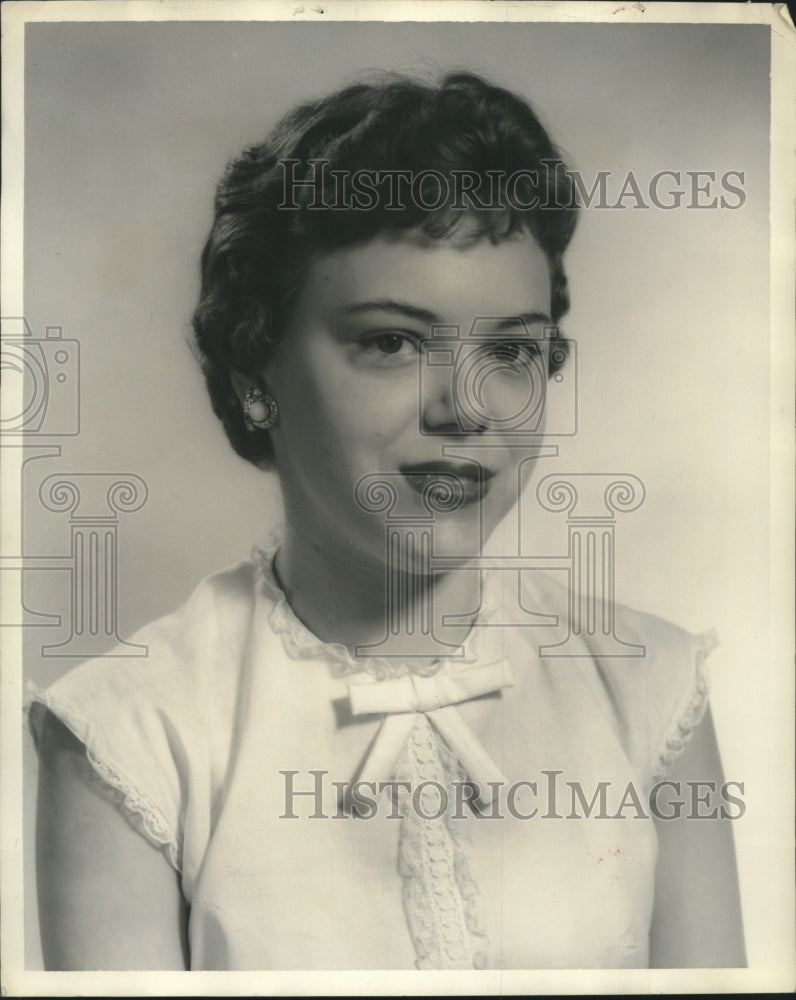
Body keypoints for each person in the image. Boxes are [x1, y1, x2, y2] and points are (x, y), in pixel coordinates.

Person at [28, 71, 746, 971]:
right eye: (393, 341)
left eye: (511, 350)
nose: (467, 410)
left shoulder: (650, 689)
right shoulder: (128, 733)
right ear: (257, 371)